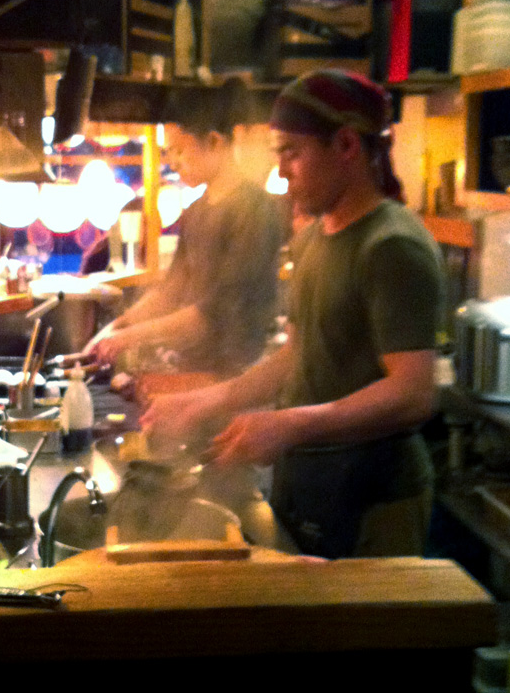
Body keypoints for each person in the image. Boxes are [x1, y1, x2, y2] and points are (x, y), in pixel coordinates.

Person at [141, 69, 445, 559]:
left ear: (346, 145)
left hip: (372, 498)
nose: (281, 173)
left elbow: (412, 393)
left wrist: (288, 425)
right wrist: (202, 402)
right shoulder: (313, 239)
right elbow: (294, 358)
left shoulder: (391, 246)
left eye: (292, 153)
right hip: (309, 483)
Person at [84, 78, 283, 377]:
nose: (172, 163)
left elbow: (213, 314)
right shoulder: (197, 209)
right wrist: (119, 325)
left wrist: (128, 337)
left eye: (178, 151)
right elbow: (171, 290)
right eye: (168, 152)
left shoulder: (255, 211)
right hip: (195, 367)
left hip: (237, 373)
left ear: (214, 142)